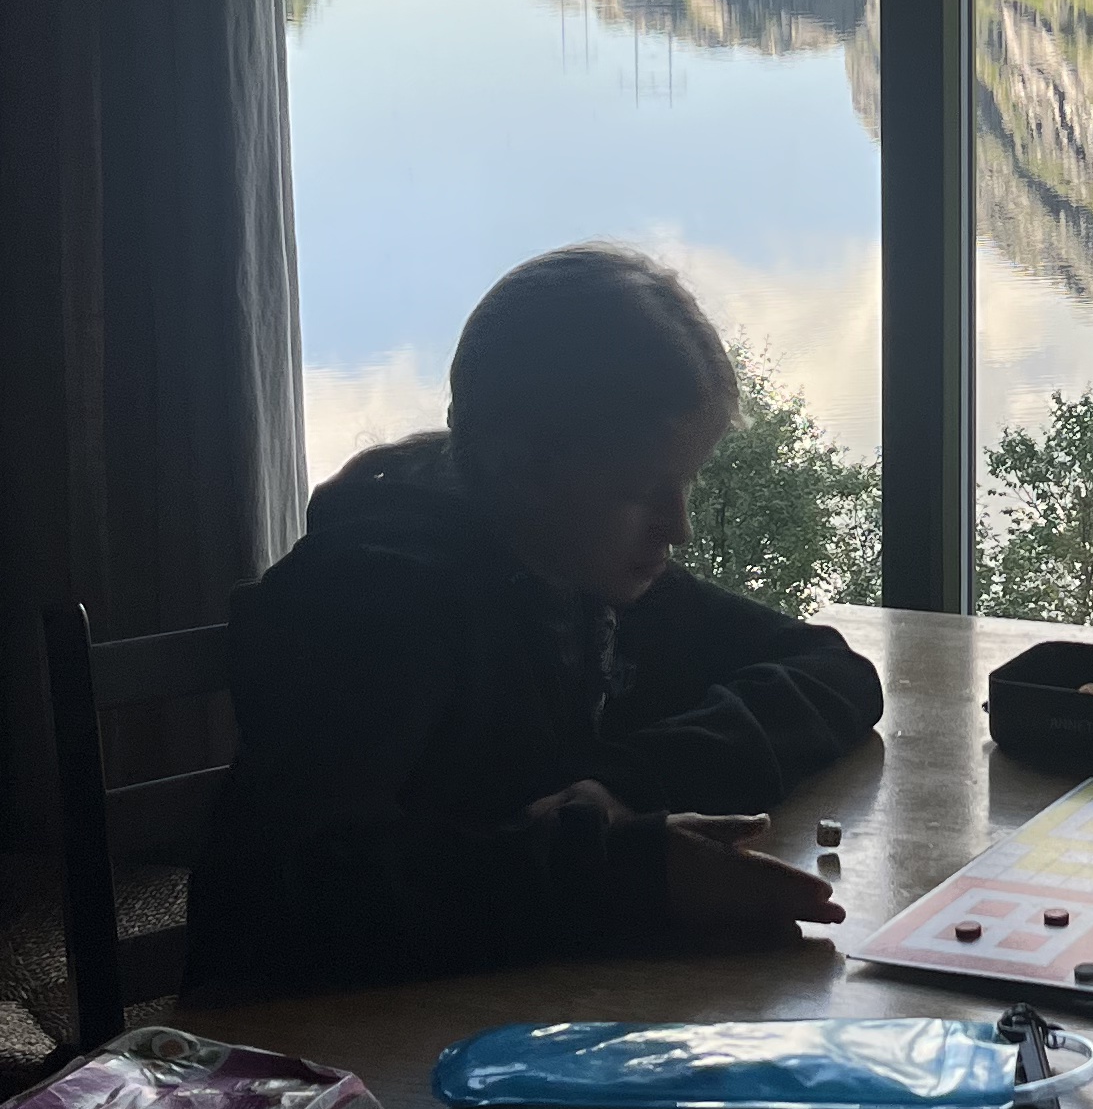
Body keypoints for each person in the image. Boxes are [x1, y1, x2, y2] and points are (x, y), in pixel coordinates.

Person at [190, 244, 881, 992]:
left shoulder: (578, 571)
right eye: (640, 490)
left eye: (685, 483)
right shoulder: (366, 608)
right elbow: (286, 903)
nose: (678, 527)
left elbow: (833, 671)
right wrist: (631, 873)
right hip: (331, 1045)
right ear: (523, 466)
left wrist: (625, 785)